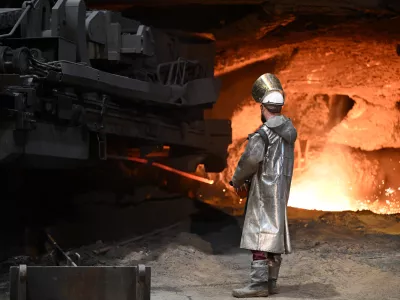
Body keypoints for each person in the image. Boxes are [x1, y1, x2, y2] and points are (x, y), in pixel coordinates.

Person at [230, 73, 297, 298]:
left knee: (259, 235)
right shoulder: (288, 132)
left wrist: (237, 180)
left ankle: (258, 285)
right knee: (274, 234)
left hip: (263, 190)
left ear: (263, 107)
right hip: (280, 190)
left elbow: (250, 161)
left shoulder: (264, 134)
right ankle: (271, 282)